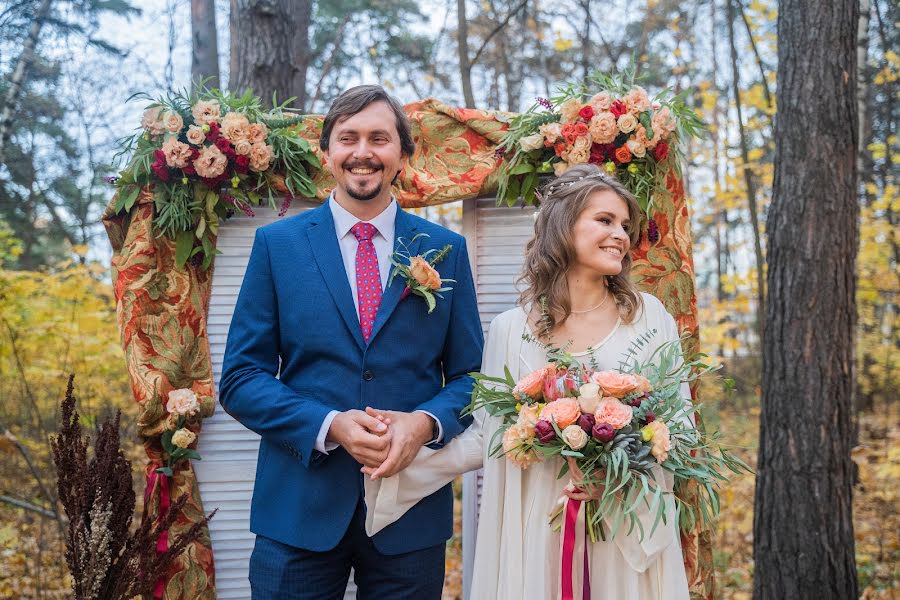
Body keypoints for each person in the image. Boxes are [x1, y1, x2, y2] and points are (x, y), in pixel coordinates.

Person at [364, 163, 691, 599]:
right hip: (540, 520)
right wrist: (402, 448)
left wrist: (615, 471)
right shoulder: (510, 329)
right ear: (562, 227)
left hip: (624, 519)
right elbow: (489, 436)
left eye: (625, 225)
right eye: (605, 220)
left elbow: (680, 427)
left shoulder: (649, 318)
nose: (621, 235)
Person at [219, 84, 483, 599]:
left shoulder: (444, 250)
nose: (363, 152)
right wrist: (329, 425)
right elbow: (240, 379)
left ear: (403, 155)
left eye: (380, 138)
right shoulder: (277, 246)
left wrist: (424, 423)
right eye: (348, 138)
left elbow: (473, 377)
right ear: (327, 152)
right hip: (297, 512)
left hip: (410, 516)